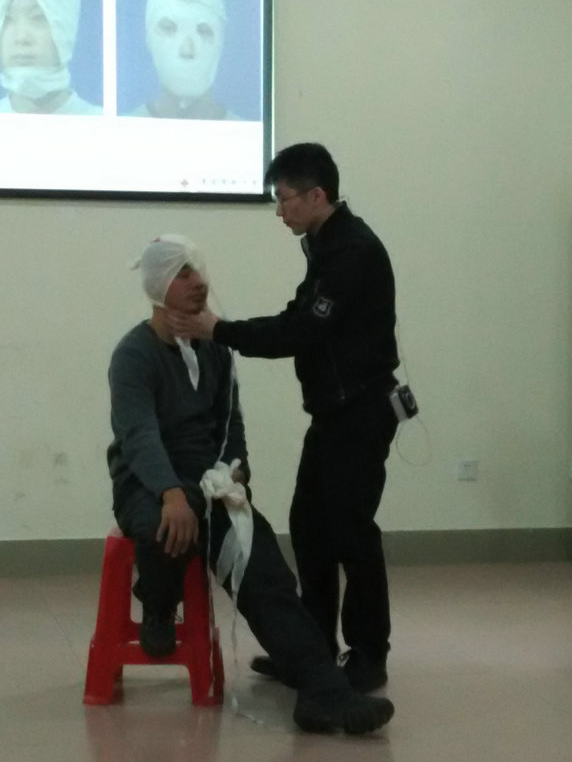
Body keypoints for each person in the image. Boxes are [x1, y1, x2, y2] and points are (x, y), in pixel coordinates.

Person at [107, 233, 394, 735]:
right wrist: (171, 493)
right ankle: (158, 604)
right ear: (158, 286)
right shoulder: (135, 354)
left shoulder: (215, 351)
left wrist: (235, 472)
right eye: (183, 274)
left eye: (198, 270)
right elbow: (139, 436)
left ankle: (322, 691)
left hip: (211, 484)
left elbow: (230, 424)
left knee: (267, 574)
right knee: (164, 528)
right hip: (149, 485)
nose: (199, 282)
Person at [165, 143, 400, 694]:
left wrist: (220, 331)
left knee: (351, 532)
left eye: (285, 198)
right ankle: (312, 649)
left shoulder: (353, 251)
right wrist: (226, 331)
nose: (279, 211)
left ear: (317, 195)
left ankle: (370, 654)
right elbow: (300, 315)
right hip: (333, 414)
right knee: (310, 527)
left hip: (360, 413)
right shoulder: (325, 245)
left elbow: (303, 331)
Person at [129, 0, 237, 120]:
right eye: (168, 28)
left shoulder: (245, 131)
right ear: (148, 39)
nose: (187, 50)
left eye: (203, 31)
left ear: (221, 42)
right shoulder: (121, 130)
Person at [0, 0, 101, 114]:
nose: (22, 37)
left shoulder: (105, 124)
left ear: (66, 30)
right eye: (7, 19)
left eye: (38, 17)